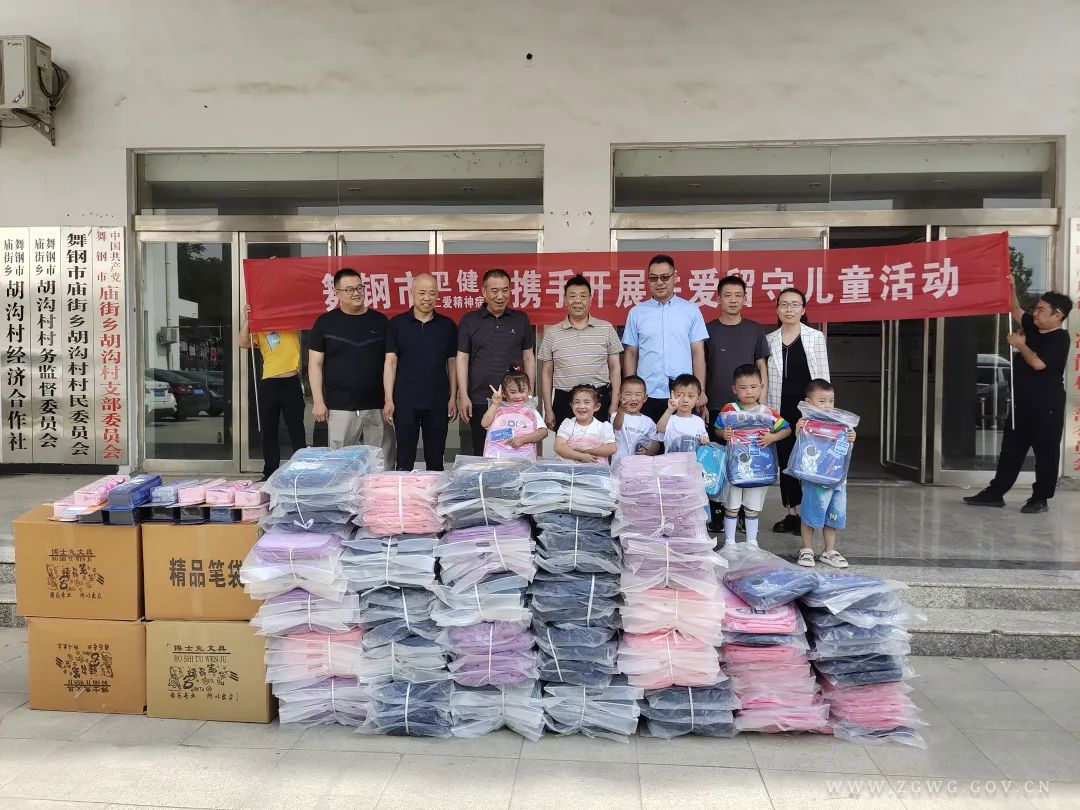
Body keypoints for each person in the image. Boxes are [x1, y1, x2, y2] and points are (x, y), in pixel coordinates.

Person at [964, 281, 1072, 514]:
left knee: (1045, 453)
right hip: (1021, 404)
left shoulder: (1060, 339)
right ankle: (995, 492)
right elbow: (1014, 309)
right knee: (1011, 450)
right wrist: (1011, 287)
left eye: (1041, 309)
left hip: (1046, 407)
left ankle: (1040, 498)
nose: (1036, 313)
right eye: (1036, 308)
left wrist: (1021, 345)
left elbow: (1038, 363)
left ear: (1058, 315)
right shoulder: (1033, 326)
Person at [704, 274, 771, 531]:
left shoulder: (754, 330)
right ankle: (718, 513)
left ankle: (744, 513)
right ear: (718, 298)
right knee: (719, 460)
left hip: (749, 410)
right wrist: (702, 399)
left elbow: (761, 365)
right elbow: (702, 365)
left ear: (745, 299)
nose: (733, 300)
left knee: (748, 460)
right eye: (728, 295)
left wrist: (762, 403)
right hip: (717, 406)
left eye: (738, 295)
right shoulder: (708, 330)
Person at [308, 268, 395, 460]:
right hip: (340, 407)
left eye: (360, 288)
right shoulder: (325, 323)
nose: (356, 293)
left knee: (380, 463)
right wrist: (318, 401)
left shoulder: (380, 321)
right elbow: (315, 364)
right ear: (337, 293)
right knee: (341, 464)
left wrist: (389, 399)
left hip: (377, 406)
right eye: (349, 290)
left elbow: (390, 362)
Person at [766, 288, 830, 536]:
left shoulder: (815, 337)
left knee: (809, 459)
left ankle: (809, 513)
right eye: (784, 304)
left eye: (795, 304)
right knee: (786, 461)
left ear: (803, 310)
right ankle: (791, 513)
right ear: (777, 309)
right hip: (780, 409)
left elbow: (823, 377)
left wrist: (824, 409)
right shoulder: (769, 340)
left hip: (809, 410)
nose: (789, 309)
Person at [457, 269, 537, 455]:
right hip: (479, 398)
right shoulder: (470, 320)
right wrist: (463, 395)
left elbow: (528, 356)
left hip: (515, 399)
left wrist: (530, 392)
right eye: (494, 291)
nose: (500, 296)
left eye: (505, 290)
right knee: (483, 451)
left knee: (516, 451)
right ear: (484, 292)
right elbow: (462, 358)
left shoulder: (520, 319)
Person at [383, 273, 458, 471]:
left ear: (437, 295)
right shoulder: (397, 324)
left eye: (432, 293)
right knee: (404, 457)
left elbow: (452, 363)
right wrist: (389, 399)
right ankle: (404, 491)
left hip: (437, 401)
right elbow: (390, 362)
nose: (427, 298)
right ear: (412, 293)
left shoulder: (447, 325)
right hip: (405, 401)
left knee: (436, 458)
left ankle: (434, 491)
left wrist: (453, 397)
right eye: (422, 292)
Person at [622, 254, 709, 423]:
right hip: (647, 394)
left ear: (675, 278)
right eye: (653, 278)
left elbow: (698, 353)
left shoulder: (691, 310)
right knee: (646, 439)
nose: (659, 282)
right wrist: (630, 392)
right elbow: (631, 354)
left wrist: (700, 391)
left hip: (683, 394)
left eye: (665, 277)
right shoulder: (636, 313)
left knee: (681, 438)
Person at [718, 364, 792, 549]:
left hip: (759, 469)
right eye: (743, 388)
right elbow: (718, 428)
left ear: (761, 387)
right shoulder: (729, 410)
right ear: (734, 389)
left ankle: (752, 542)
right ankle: (730, 542)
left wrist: (772, 437)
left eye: (753, 387)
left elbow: (787, 429)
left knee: (752, 507)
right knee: (731, 505)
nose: (749, 392)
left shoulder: (768, 413)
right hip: (734, 468)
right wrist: (723, 434)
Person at [538, 274, 623, 429]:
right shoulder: (552, 333)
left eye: (583, 296)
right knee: (565, 443)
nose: (578, 301)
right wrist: (548, 409)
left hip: (598, 400)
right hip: (565, 400)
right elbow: (546, 372)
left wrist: (614, 404)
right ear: (565, 300)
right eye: (572, 296)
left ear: (590, 300)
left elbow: (615, 367)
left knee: (600, 443)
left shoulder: (606, 328)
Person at [237, 305, 307, 481]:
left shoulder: (291, 324)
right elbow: (243, 342)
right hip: (269, 384)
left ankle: (302, 472)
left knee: (297, 430)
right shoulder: (261, 329)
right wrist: (248, 319)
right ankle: (270, 472)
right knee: (269, 431)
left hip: (291, 382)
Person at [795, 379, 856, 569]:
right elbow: (801, 442)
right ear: (808, 402)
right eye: (822, 401)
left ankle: (829, 551)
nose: (828, 405)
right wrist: (799, 429)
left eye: (831, 401)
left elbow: (844, 449)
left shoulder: (841, 423)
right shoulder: (807, 422)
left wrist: (851, 438)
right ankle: (807, 549)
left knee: (834, 515)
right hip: (814, 478)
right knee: (810, 513)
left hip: (837, 479)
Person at [480, 367, 548, 460]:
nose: (518, 396)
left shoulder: (530, 411)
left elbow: (543, 432)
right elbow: (484, 423)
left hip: (523, 459)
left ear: (529, 390)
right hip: (497, 458)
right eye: (513, 392)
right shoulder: (498, 410)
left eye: (522, 391)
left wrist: (522, 440)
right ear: (503, 393)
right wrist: (495, 404)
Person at [554, 384, 618, 464]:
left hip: (595, 469)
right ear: (571, 405)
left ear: (596, 406)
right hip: (569, 469)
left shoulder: (603, 426)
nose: (581, 406)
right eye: (577, 402)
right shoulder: (568, 424)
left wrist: (585, 451)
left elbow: (611, 448)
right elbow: (558, 447)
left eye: (586, 402)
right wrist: (581, 456)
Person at [612, 375, 662, 463]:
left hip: (639, 466)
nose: (633, 398)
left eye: (638, 394)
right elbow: (617, 426)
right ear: (620, 397)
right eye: (628, 394)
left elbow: (656, 443)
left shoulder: (648, 422)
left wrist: (648, 451)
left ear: (645, 398)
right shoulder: (616, 415)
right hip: (619, 464)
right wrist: (621, 409)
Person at [656, 374, 711, 454]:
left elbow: (705, 439)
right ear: (672, 395)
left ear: (697, 399)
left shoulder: (699, 421)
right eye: (680, 395)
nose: (685, 400)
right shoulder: (669, 419)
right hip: (672, 460)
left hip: (693, 460)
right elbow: (660, 428)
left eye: (690, 396)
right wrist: (670, 410)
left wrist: (705, 440)